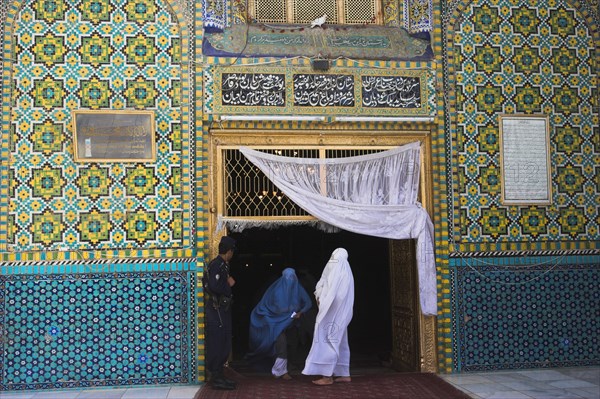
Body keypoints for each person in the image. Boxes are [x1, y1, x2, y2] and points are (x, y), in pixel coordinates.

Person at [246, 268, 312, 379]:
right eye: (287, 278)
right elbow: (272, 308)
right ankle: (280, 371)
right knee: (281, 343)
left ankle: (287, 366)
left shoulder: (298, 288)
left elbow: (308, 303)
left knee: (292, 343)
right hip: (275, 322)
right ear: (283, 278)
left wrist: (301, 312)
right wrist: (285, 314)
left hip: (292, 322)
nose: (290, 280)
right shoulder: (276, 291)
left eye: (292, 277)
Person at [302, 248, 354, 385]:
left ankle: (327, 376)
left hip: (331, 315)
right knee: (340, 342)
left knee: (327, 341)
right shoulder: (346, 271)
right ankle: (344, 374)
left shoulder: (337, 269)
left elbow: (331, 293)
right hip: (341, 316)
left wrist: (321, 299)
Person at [203, 236, 237, 390]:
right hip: (216, 310)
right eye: (232, 251)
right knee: (217, 341)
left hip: (222, 309)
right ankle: (216, 376)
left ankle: (220, 375)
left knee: (223, 340)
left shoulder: (223, 265)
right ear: (229, 251)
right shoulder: (217, 265)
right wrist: (228, 285)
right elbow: (213, 286)